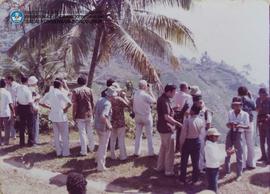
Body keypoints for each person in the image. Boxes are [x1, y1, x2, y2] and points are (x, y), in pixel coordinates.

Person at [40, 80, 72, 157]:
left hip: (53, 116)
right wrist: (65, 109)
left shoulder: (49, 93)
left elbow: (41, 102)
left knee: (56, 135)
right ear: (60, 86)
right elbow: (70, 103)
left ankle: (58, 152)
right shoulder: (60, 93)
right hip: (61, 116)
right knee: (64, 135)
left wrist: (49, 107)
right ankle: (66, 153)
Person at [156, 84, 182, 176]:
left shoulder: (161, 99)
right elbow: (166, 117)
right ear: (169, 91)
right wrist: (177, 124)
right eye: (174, 92)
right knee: (170, 150)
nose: (175, 94)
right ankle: (168, 171)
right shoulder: (165, 101)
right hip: (167, 128)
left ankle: (160, 167)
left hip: (161, 127)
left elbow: (164, 112)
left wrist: (173, 109)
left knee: (163, 148)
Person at [224, 97, 250, 181]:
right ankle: (227, 171)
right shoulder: (230, 113)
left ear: (241, 105)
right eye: (234, 105)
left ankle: (239, 174)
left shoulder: (245, 114)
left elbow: (247, 126)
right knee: (228, 151)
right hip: (230, 133)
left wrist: (240, 125)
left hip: (239, 134)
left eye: (237, 105)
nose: (236, 106)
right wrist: (230, 124)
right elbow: (227, 125)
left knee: (239, 154)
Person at [179, 104, 204, 184]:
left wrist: (180, 145)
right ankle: (195, 179)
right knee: (195, 161)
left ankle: (182, 179)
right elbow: (201, 132)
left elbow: (183, 135)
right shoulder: (201, 120)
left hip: (188, 142)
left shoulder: (187, 121)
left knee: (184, 161)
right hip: (197, 141)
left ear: (192, 111)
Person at [94, 87, 117, 171]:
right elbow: (103, 116)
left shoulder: (100, 99)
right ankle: (100, 166)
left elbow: (94, 110)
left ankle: (97, 160)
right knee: (103, 147)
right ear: (111, 96)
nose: (115, 97)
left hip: (97, 126)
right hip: (104, 128)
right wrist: (109, 125)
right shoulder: (108, 103)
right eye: (114, 96)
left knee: (101, 144)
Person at [72, 75, 95, 156]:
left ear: (78, 82)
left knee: (82, 133)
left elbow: (75, 104)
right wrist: (93, 113)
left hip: (79, 114)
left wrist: (73, 115)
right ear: (85, 81)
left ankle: (83, 151)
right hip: (89, 113)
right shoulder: (90, 90)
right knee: (90, 131)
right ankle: (92, 148)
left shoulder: (75, 91)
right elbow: (92, 103)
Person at [133, 80, 156, 157]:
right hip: (146, 116)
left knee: (138, 135)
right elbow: (154, 101)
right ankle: (151, 152)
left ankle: (136, 152)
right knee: (149, 135)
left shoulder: (135, 94)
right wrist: (151, 91)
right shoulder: (145, 95)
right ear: (144, 86)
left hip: (137, 116)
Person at [110, 82, 130, 160]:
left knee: (112, 139)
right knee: (121, 139)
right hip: (120, 121)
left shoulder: (109, 99)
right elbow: (128, 105)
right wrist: (124, 96)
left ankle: (112, 155)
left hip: (112, 121)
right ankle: (123, 156)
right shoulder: (119, 99)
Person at [238, 86, 256, 169]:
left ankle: (243, 165)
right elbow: (254, 108)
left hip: (240, 123)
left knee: (242, 143)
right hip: (250, 122)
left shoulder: (237, 99)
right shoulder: (250, 100)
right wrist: (251, 96)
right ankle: (251, 163)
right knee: (250, 143)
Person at [172, 82, 193, 152]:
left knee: (176, 131)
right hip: (183, 114)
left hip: (175, 113)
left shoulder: (175, 94)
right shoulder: (188, 96)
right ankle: (180, 147)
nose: (187, 89)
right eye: (187, 88)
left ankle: (176, 147)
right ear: (184, 88)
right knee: (182, 132)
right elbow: (190, 104)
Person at [16, 75, 35, 147]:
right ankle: (31, 142)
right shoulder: (27, 90)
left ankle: (21, 142)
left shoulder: (18, 88)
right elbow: (30, 102)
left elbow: (17, 99)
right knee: (30, 125)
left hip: (20, 107)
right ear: (27, 81)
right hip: (27, 107)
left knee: (22, 126)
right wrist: (35, 99)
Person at [205, 128, 224, 193]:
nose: (217, 137)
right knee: (213, 187)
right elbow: (216, 158)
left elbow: (218, 153)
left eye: (217, 136)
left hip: (215, 168)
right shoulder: (209, 146)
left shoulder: (214, 144)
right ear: (210, 137)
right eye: (216, 136)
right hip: (211, 169)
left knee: (212, 185)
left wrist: (226, 152)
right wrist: (227, 154)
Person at [256, 88, 270, 164]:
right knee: (261, 141)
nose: (263, 96)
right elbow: (257, 109)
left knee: (269, 141)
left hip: (268, 123)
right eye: (261, 95)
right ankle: (263, 156)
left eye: (264, 95)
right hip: (260, 122)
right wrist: (259, 105)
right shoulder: (258, 100)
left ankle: (269, 158)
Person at [0, 79, 15, 145]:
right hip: (6, 112)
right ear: (5, 85)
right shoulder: (7, 92)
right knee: (7, 128)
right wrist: (13, 112)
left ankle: (0, 141)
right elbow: (10, 104)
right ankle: (6, 142)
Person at [5, 75, 20, 139]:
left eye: (6, 79)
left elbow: (18, 95)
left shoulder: (17, 86)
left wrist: (16, 103)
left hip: (16, 105)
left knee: (17, 119)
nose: (6, 81)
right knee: (11, 120)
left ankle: (19, 132)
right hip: (10, 105)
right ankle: (13, 134)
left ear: (10, 79)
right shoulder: (7, 86)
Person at [28, 76, 41, 145]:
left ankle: (35, 139)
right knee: (35, 125)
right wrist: (38, 97)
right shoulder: (32, 90)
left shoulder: (30, 89)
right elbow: (33, 99)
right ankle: (35, 140)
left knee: (33, 125)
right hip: (34, 108)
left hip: (33, 108)